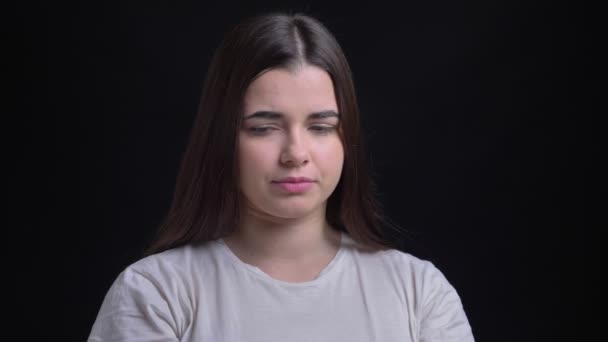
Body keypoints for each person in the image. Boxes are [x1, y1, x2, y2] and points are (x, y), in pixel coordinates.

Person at [88, 12, 475, 342]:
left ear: (347, 138)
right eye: (263, 128)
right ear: (221, 136)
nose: (295, 154)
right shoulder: (156, 294)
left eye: (321, 127)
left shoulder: (419, 294)